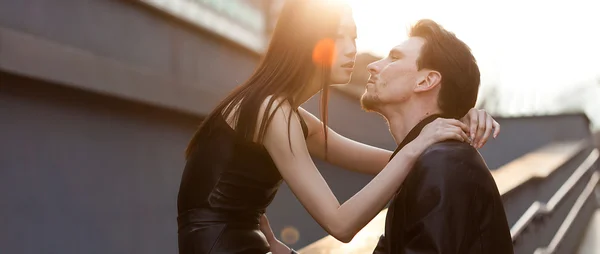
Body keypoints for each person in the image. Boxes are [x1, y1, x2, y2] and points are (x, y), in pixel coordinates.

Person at [176, 0, 499, 253]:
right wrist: (419, 145)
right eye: (338, 35)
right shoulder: (272, 112)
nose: (351, 49)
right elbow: (341, 224)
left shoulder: (294, 119)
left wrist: (457, 117)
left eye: (354, 37)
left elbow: (401, 164)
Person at [360, 19, 512, 253]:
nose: (373, 65)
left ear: (426, 81)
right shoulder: (427, 159)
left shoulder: (443, 163)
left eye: (395, 58)